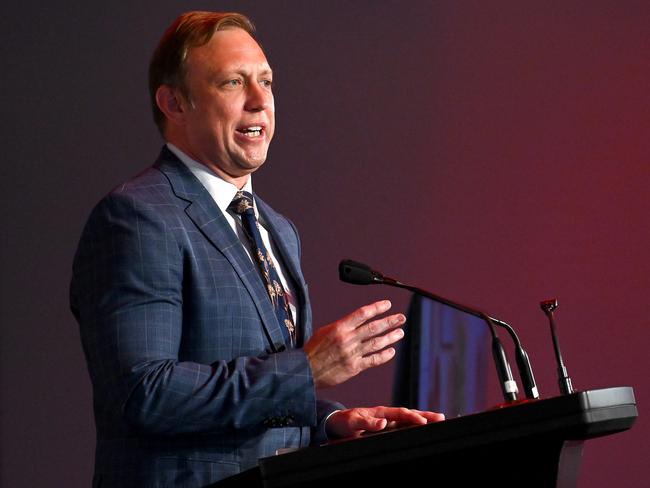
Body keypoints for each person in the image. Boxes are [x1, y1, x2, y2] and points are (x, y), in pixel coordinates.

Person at [70, 11, 444, 487]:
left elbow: (261, 394)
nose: (258, 101)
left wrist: (328, 422)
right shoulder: (138, 218)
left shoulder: (278, 229)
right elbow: (143, 393)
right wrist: (305, 371)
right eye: (232, 83)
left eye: (266, 83)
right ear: (174, 102)